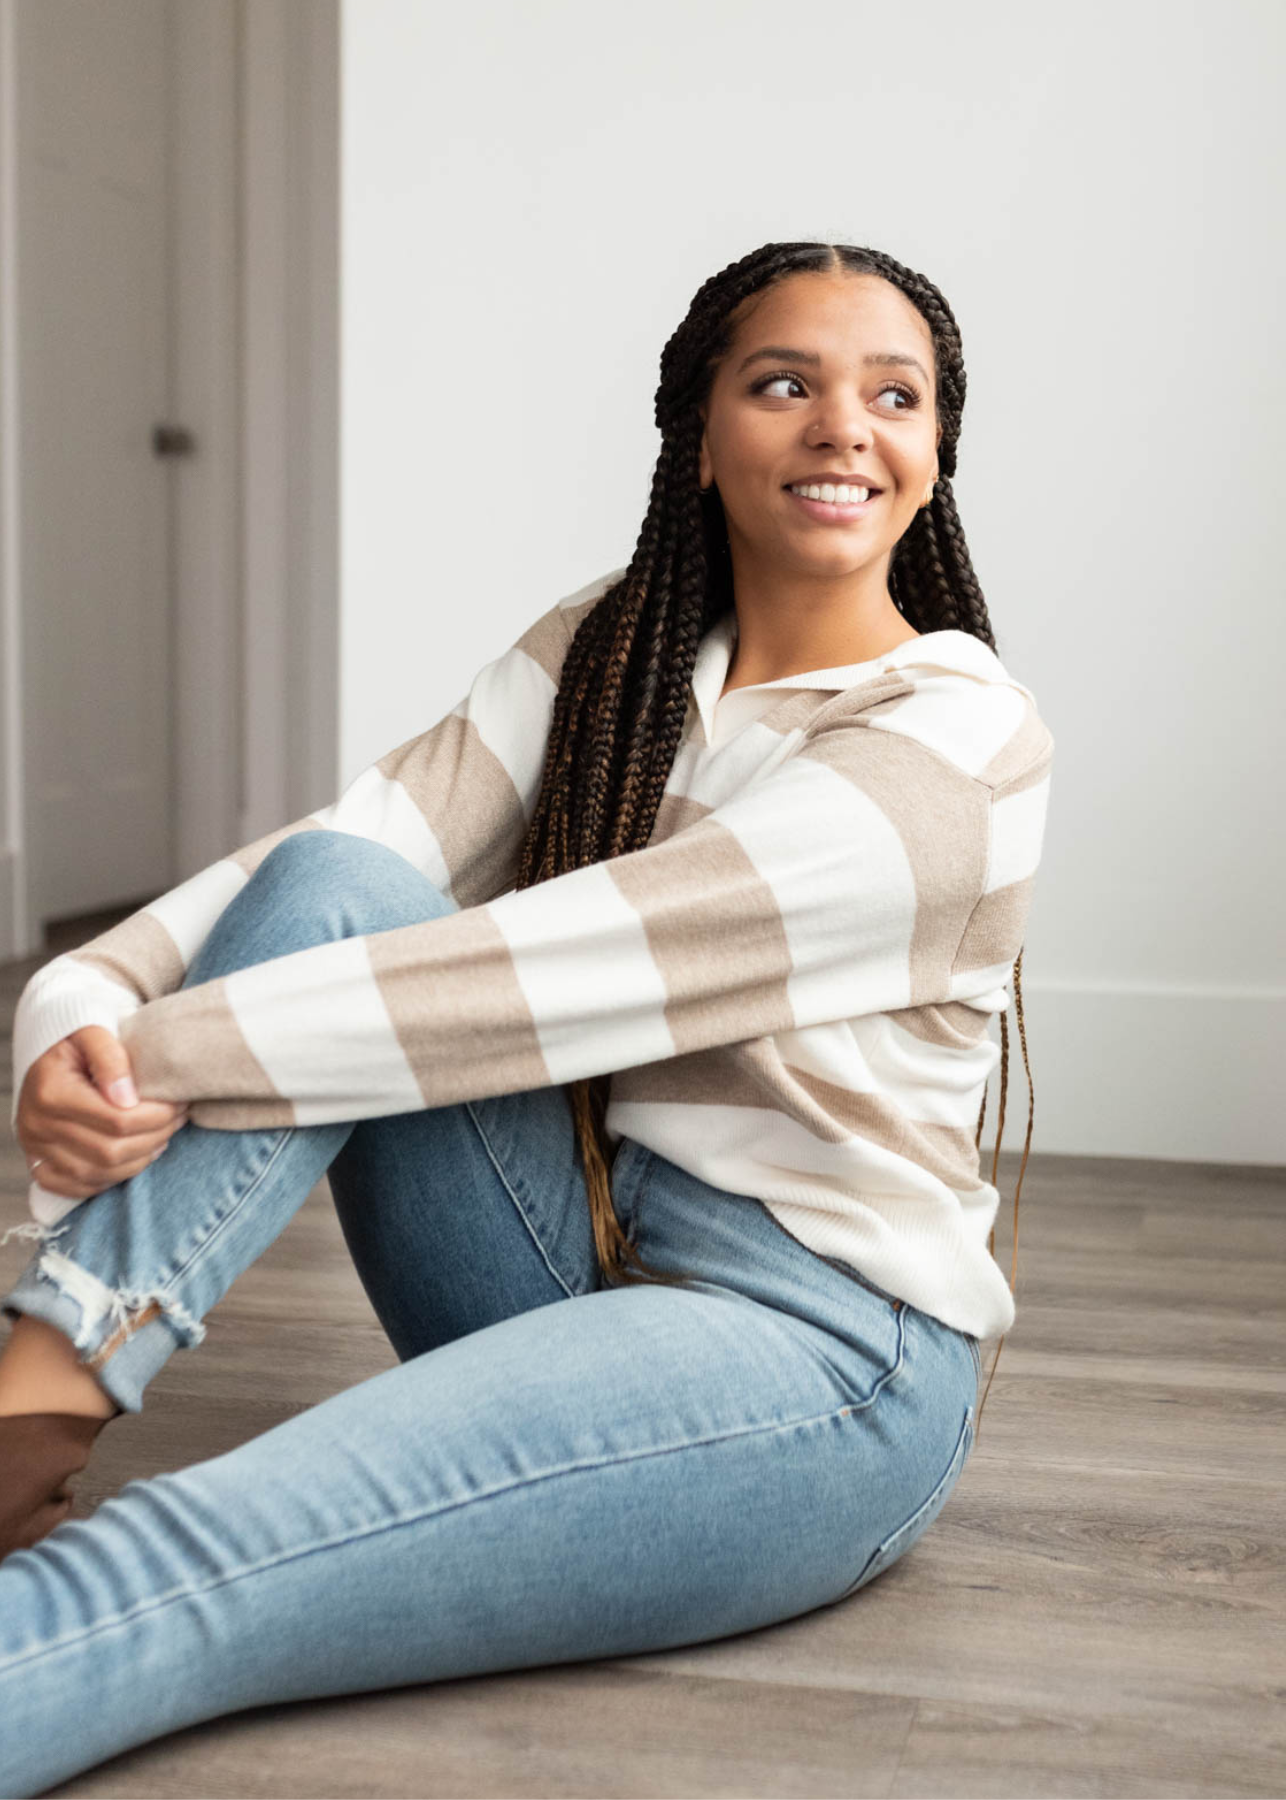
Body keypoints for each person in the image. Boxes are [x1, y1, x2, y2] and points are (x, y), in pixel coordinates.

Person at [0, 240, 1052, 1795]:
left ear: (933, 451)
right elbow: (314, 873)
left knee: (192, 1553)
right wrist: (64, 1017)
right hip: (566, 1248)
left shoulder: (955, 742)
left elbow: (538, 980)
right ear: (699, 435)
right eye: (784, 384)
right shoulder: (615, 653)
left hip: (815, 1359)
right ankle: (42, 1390)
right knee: (341, 879)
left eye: (891, 396)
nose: (843, 426)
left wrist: (153, 1061)